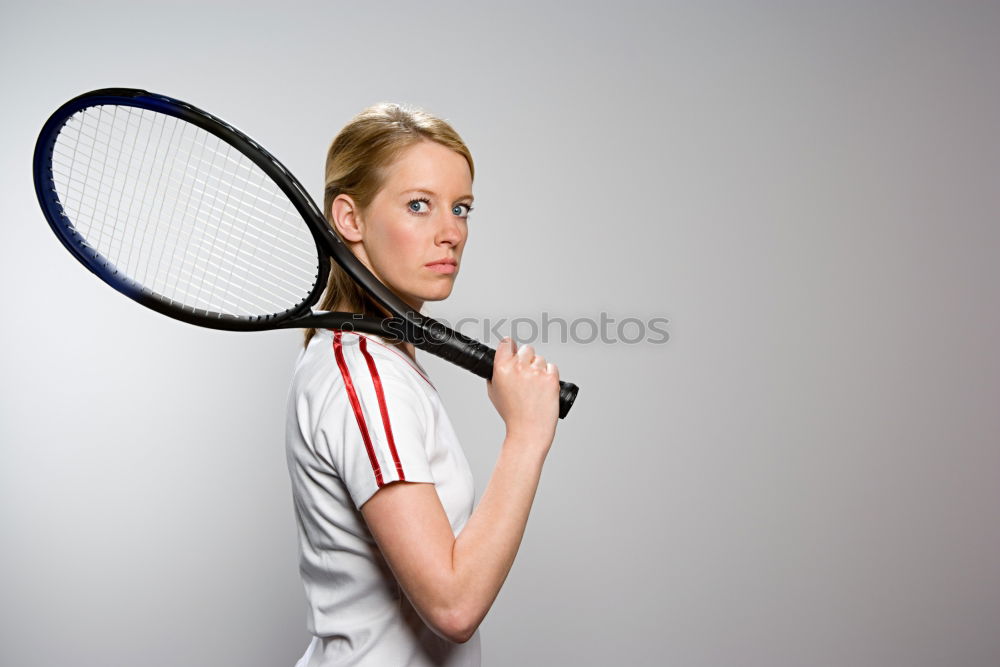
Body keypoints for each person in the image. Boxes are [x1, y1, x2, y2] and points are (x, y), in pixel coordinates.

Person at [285, 102, 561, 667]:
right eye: (419, 206)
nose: (451, 233)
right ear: (349, 219)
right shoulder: (366, 378)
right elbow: (454, 606)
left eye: (461, 208)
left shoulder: (374, 358)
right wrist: (527, 437)